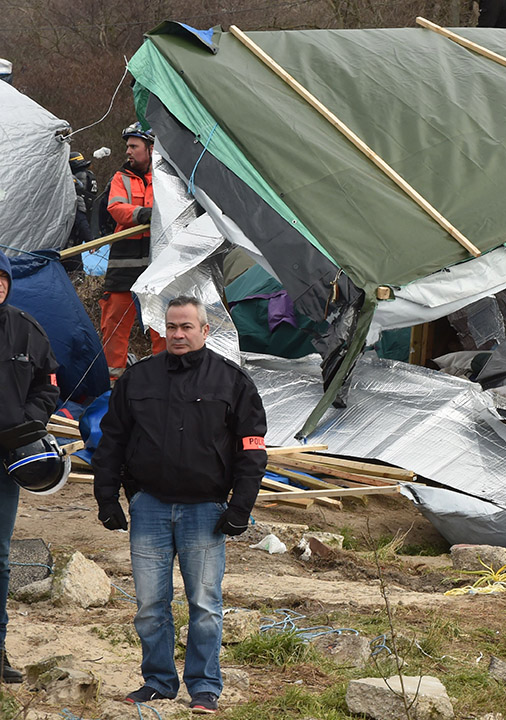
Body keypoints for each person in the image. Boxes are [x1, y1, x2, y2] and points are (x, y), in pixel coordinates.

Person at [92, 296, 267, 714]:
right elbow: (112, 438)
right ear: (163, 330)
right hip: (149, 506)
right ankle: (158, 682)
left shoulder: (232, 382)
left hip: (205, 511)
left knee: (205, 605)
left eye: (187, 327)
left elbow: (252, 449)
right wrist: (106, 495)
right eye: (171, 326)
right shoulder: (139, 379)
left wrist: (241, 506)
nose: (178, 334)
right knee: (150, 606)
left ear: (206, 331)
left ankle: (204, 687)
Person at [0, 252, 60, 684]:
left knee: (0, 558)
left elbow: (49, 383)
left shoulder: (25, 329)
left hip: (7, 461)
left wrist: (31, 421)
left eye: (2, 280)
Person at [101, 122, 165, 381]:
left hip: (156, 261)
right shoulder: (120, 178)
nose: (128, 151)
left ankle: (164, 377)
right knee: (114, 322)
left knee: (161, 322)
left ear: (151, 149)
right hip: (124, 262)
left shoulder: (165, 177)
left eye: (133, 146)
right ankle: (113, 381)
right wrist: (143, 214)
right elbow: (115, 208)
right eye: (127, 146)